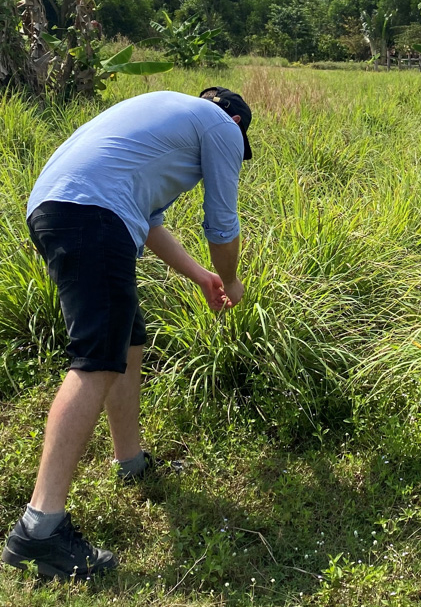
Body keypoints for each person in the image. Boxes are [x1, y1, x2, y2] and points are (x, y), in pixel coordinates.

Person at [1, 86, 252, 580]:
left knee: (126, 339)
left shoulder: (163, 116)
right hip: (90, 215)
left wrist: (203, 276)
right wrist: (233, 279)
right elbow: (222, 223)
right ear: (238, 124)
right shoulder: (222, 127)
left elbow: (149, 224)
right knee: (96, 359)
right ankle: (39, 529)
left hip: (59, 206)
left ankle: (130, 460)